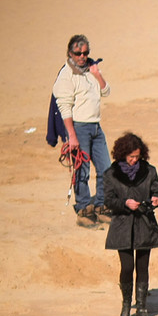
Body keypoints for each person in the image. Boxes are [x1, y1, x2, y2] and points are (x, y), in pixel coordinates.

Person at [103, 133, 158, 316]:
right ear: (122, 154)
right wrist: (125, 203)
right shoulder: (110, 174)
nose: (133, 160)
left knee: (143, 267)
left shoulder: (150, 171)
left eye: (137, 157)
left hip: (144, 225)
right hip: (122, 227)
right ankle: (125, 305)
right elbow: (108, 200)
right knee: (127, 267)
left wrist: (157, 200)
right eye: (131, 157)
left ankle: (141, 308)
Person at [53, 34, 112, 229]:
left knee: (105, 168)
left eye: (85, 52)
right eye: (78, 53)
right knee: (82, 171)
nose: (82, 56)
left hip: (96, 126)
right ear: (70, 53)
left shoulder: (90, 69)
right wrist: (71, 136)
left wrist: (97, 74)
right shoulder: (66, 76)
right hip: (79, 128)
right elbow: (64, 107)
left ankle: (102, 206)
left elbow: (106, 91)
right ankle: (84, 209)